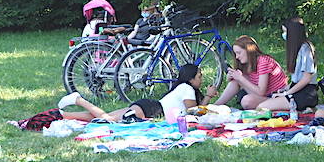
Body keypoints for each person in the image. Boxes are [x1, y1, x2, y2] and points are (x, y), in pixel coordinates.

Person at [56, 63, 217, 123]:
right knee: (109, 119)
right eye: (199, 76)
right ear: (190, 78)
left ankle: (64, 115)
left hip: (149, 106)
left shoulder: (185, 88)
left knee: (102, 117)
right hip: (151, 110)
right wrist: (208, 96)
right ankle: (79, 100)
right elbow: (193, 111)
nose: (201, 79)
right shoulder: (187, 88)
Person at [258, 17, 318, 112]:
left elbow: (306, 79)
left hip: (305, 94)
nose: (284, 35)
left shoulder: (306, 49)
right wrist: (285, 89)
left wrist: (287, 93)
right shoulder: (298, 49)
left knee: (262, 108)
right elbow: (297, 79)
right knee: (262, 105)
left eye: (285, 32)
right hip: (297, 90)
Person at [214, 35, 287, 109]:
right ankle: (214, 106)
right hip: (263, 95)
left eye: (239, 53)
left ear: (249, 50)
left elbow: (261, 91)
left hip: (275, 97)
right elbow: (238, 81)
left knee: (247, 101)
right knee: (236, 81)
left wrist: (240, 78)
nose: (237, 57)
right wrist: (231, 76)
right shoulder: (247, 63)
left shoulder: (263, 61)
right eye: (235, 54)